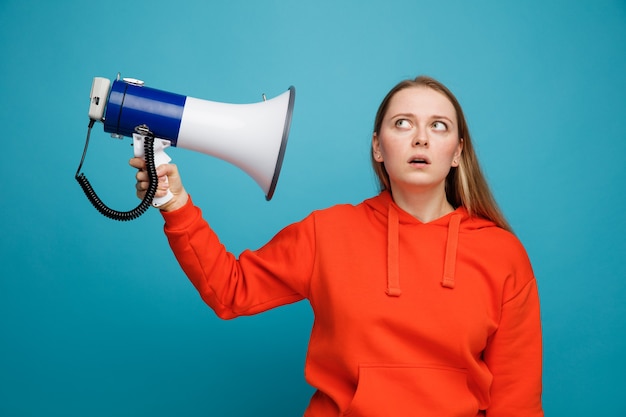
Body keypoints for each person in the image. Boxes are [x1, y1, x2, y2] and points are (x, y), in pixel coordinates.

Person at [130, 75, 544, 416]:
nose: (420, 138)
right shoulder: (326, 231)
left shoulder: (502, 254)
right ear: (378, 147)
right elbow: (230, 291)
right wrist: (174, 203)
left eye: (438, 125)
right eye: (403, 123)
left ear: (457, 153)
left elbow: (517, 401)